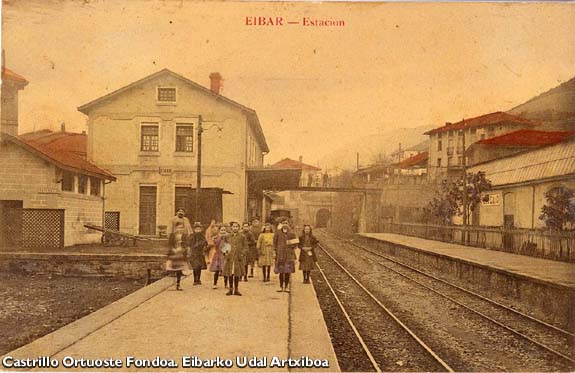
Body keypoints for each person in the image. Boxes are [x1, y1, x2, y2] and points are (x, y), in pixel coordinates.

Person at [223, 222, 248, 296]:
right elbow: (224, 246)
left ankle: (236, 289)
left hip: (238, 258)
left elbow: (246, 247)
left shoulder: (242, 237)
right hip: (230, 258)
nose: (235, 228)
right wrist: (226, 253)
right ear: (231, 228)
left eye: (237, 227)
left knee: (237, 273)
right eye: (234, 226)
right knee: (230, 273)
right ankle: (230, 289)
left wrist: (242, 253)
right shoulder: (227, 236)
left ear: (239, 228)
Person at [273, 219, 298, 293]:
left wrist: (291, 245)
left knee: (287, 271)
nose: (285, 224)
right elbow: (274, 243)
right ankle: (281, 286)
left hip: (289, 254)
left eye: (286, 223)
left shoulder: (292, 233)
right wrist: (274, 252)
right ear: (281, 224)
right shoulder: (277, 233)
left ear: (288, 224)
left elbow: (296, 244)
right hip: (280, 254)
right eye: (283, 223)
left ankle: (286, 287)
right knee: (281, 271)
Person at [209, 225, 228, 289]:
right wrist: (220, 238)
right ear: (219, 231)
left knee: (225, 270)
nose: (223, 231)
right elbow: (216, 245)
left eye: (224, 230)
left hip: (224, 255)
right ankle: (215, 284)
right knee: (217, 271)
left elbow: (228, 246)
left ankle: (226, 284)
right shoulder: (217, 238)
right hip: (218, 255)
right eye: (222, 230)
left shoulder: (227, 238)